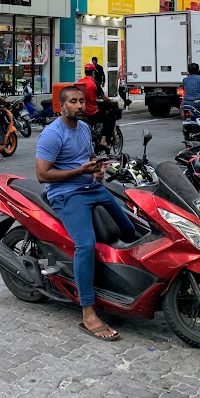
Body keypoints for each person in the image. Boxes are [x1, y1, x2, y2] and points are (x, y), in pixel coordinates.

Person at [36, 85, 137, 341]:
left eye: (81, 101)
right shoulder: (52, 134)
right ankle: (88, 312)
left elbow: (89, 158)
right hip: (65, 194)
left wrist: (96, 171)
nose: (79, 106)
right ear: (62, 106)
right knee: (86, 245)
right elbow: (42, 175)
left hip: (91, 187)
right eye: (73, 101)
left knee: (130, 230)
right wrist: (79, 172)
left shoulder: (83, 128)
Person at [77, 63, 115, 148]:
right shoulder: (94, 83)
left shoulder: (79, 82)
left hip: (81, 112)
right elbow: (103, 97)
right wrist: (111, 101)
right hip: (91, 112)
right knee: (108, 120)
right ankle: (103, 140)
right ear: (93, 73)